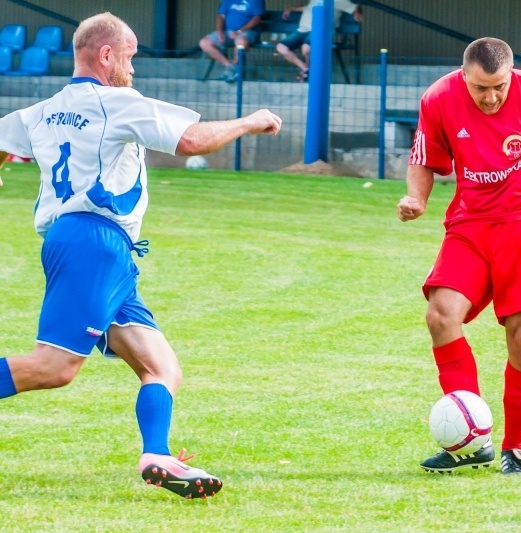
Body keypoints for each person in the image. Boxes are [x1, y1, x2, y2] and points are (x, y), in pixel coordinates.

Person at [0, 12, 281, 499]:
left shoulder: (43, 110)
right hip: (93, 241)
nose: (133, 68)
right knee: (54, 367)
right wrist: (252, 121)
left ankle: (156, 454)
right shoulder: (118, 102)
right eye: (129, 56)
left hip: (100, 248)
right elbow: (191, 140)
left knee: (161, 365)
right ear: (106, 55)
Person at [397, 37, 521, 475]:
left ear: (511, 75)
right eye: (480, 88)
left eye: (499, 87)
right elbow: (424, 156)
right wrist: (416, 198)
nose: (491, 97)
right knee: (440, 314)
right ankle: (474, 440)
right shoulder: (438, 97)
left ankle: (515, 446)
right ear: (463, 75)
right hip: (470, 223)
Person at [276, 0, 362, 82]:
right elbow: (307, 7)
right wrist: (291, 9)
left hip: (320, 30)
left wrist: (357, 13)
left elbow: (356, 7)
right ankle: (305, 69)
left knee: (306, 49)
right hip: (302, 30)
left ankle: (306, 74)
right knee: (281, 48)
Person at [199, 0, 266, 83]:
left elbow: (257, 19)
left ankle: (232, 71)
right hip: (227, 32)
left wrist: (239, 31)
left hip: (248, 32)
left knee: (241, 42)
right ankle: (230, 67)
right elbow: (221, 16)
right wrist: (220, 33)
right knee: (204, 43)